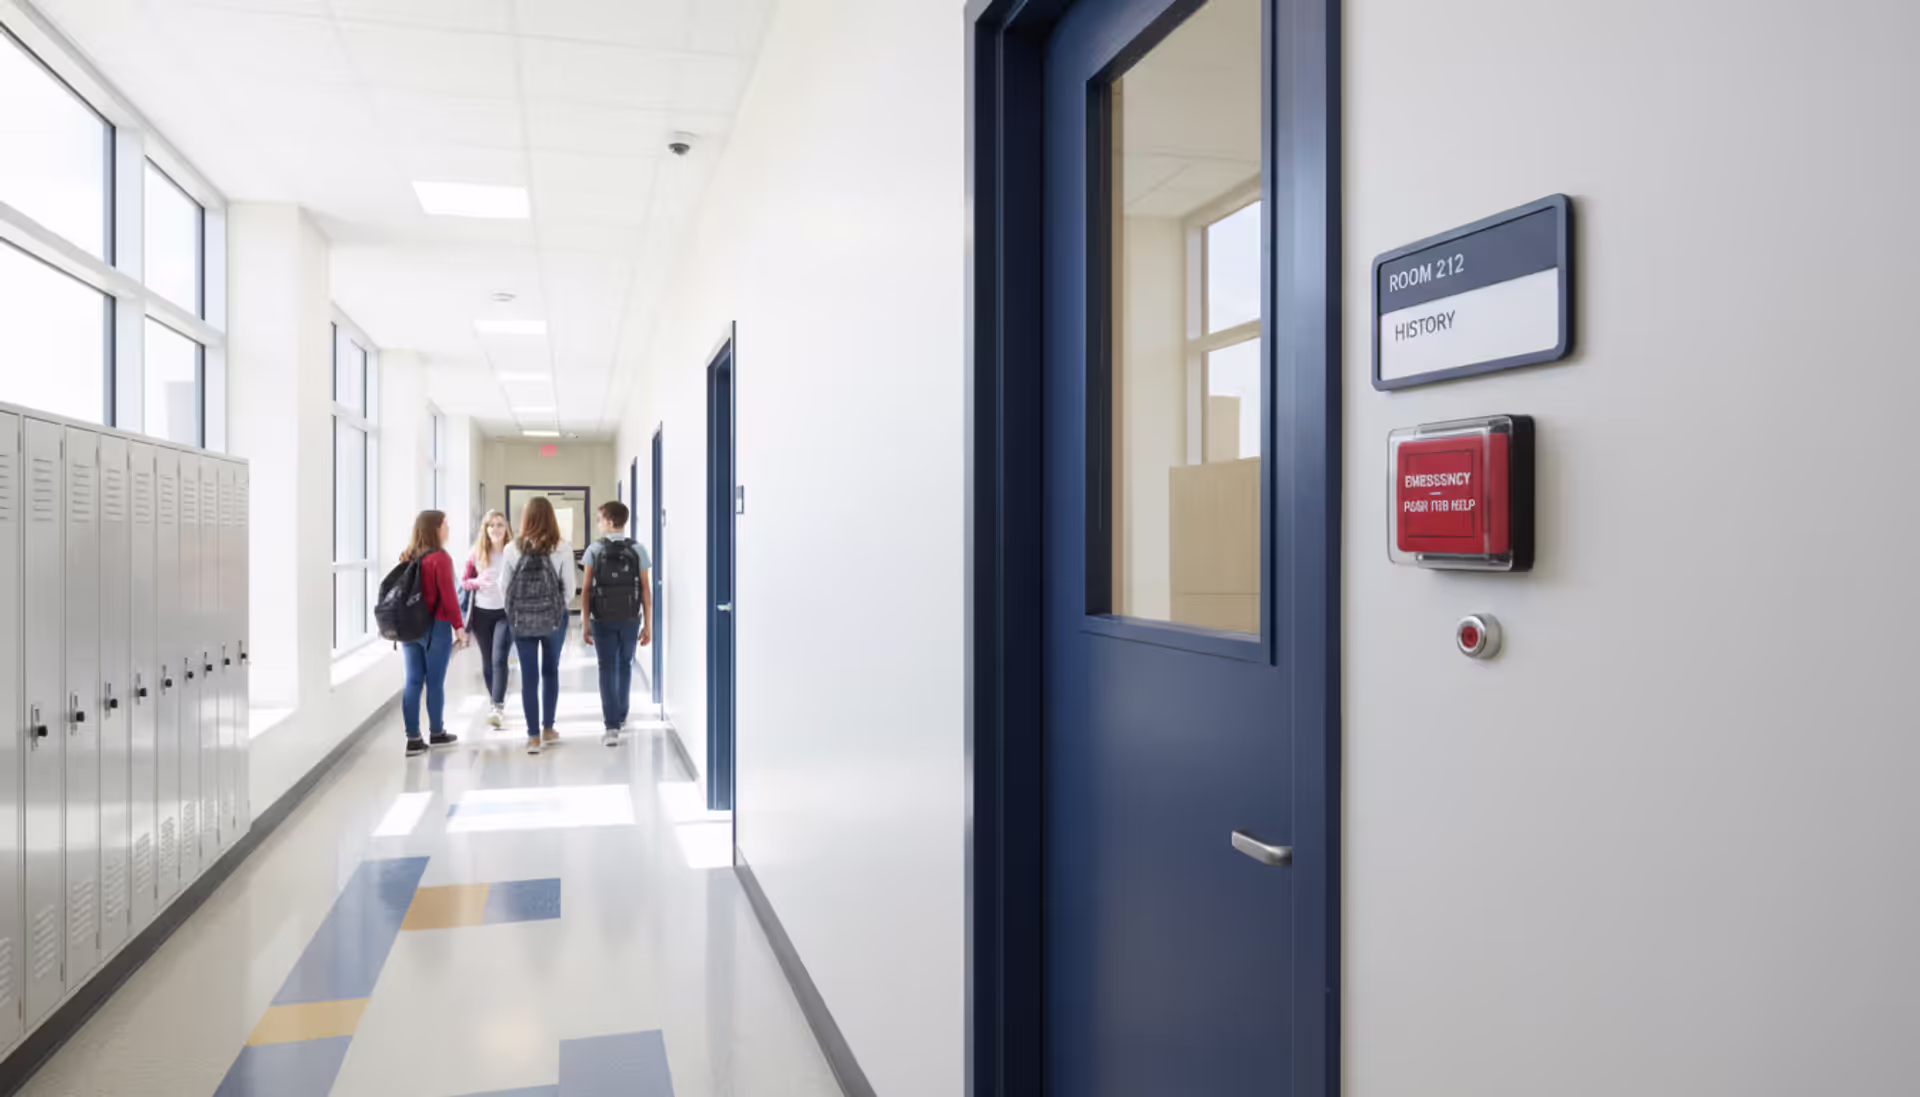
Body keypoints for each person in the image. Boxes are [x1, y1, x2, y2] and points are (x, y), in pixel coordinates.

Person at [503, 495, 576, 755]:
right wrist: (556, 609)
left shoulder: (512, 548)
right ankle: (548, 728)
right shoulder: (562, 547)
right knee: (550, 672)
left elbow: (505, 588)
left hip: (522, 620)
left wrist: (517, 611)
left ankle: (533, 736)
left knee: (529, 676)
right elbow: (570, 589)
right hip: (554, 619)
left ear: (526, 518)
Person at [581, 500, 653, 747]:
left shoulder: (594, 549)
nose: (599, 523)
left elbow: (587, 589)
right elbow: (645, 589)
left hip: (601, 619)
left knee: (606, 667)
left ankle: (611, 726)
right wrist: (648, 625)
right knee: (625, 664)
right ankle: (621, 715)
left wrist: (585, 622)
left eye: (600, 519)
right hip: (631, 618)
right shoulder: (639, 550)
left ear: (610, 522)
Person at [399, 510, 466, 757]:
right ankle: (437, 732)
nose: (448, 529)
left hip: (408, 629)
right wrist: (459, 628)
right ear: (435, 529)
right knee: (435, 683)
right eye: (445, 524)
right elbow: (449, 598)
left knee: (412, 681)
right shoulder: (440, 558)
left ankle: (413, 739)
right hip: (435, 627)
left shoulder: (408, 556)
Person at [462, 509, 514, 727]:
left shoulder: (513, 552)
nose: (496, 529)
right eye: (491, 525)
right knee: (487, 661)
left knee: (499, 658)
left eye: (500, 524)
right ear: (485, 528)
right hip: (482, 613)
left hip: (506, 612)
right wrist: (479, 582)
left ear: (506, 528)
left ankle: (497, 705)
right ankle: (495, 700)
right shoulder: (476, 552)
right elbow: (464, 582)